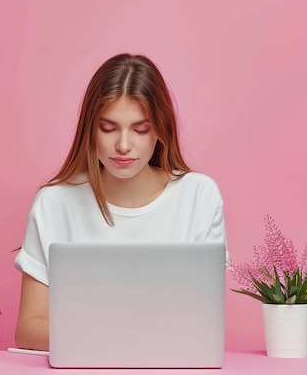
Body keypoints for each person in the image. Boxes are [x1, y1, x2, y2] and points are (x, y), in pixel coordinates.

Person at [13, 53, 227, 352]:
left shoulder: (198, 196)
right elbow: (28, 329)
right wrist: (106, 338)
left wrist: (108, 333)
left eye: (140, 129)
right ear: (90, 128)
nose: (124, 145)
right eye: (108, 128)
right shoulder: (55, 203)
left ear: (160, 130)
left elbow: (205, 324)